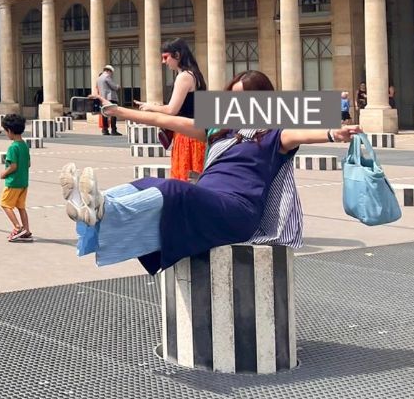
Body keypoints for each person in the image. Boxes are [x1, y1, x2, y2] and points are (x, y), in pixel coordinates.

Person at [80, 70, 361, 273]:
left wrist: (333, 133)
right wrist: (118, 112)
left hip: (237, 212)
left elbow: (304, 133)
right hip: (208, 203)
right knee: (148, 182)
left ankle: (105, 207)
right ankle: (96, 203)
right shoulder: (218, 131)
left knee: (173, 189)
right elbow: (162, 119)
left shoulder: (275, 135)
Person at [136, 38, 206, 181]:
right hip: (197, 132)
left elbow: (171, 110)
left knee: (183, 178)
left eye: (166, 57)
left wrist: (150, 107)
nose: (164, 62)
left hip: (186, 134)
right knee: (197, 177)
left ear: (177, 55)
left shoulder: (184, 76)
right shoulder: (195, 74)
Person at [0, 113, 32, 242]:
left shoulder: (13, 147)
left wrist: (4, 173)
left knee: (5, 204)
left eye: (6, 131)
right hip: (24, 182)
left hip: (13, 182)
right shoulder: (24, 145)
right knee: (21, 207)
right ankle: (26, 230)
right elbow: (28, 164)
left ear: (10, 131)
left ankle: (18, 227)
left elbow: (13, 166)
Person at [95, 65, 120, 136]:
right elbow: (114, 87)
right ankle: (114, 130)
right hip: (110, 98)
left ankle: (105, 130)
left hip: (103, 98)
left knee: (104, 114)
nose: (111, 74)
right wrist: (118, 86)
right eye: (111, 72)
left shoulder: (99, 78)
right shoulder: (107, 77)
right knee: (113, 114)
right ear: (109, 71)